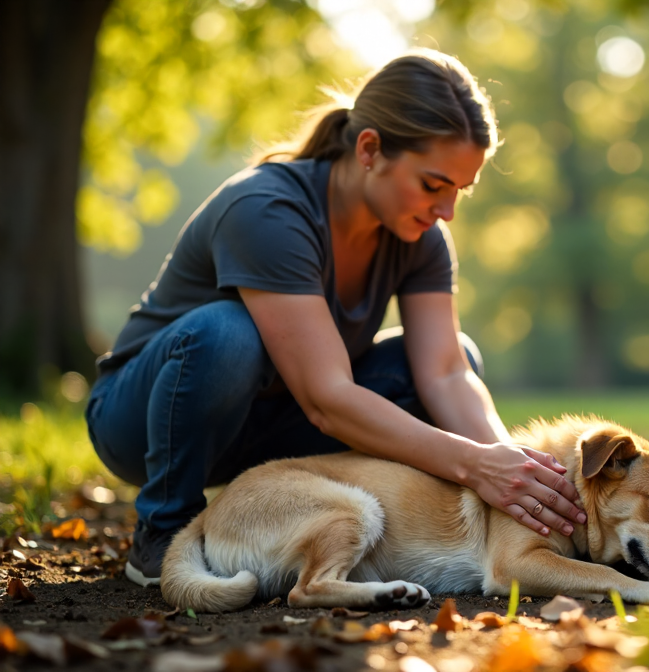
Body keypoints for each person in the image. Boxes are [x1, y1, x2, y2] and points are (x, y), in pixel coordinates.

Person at [86, 50, 586, 587]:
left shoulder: (420, 237)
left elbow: (445, 372)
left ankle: (334, 535)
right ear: (369, 149)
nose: (447, 212)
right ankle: (161, 531)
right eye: (433, 184)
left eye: (459, 191)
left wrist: (510, 467)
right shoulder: (267, 209)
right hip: (143, 420)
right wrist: (472, 466)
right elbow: (327, 398)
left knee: (455, 354)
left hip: (275, 428)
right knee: (228, 333)